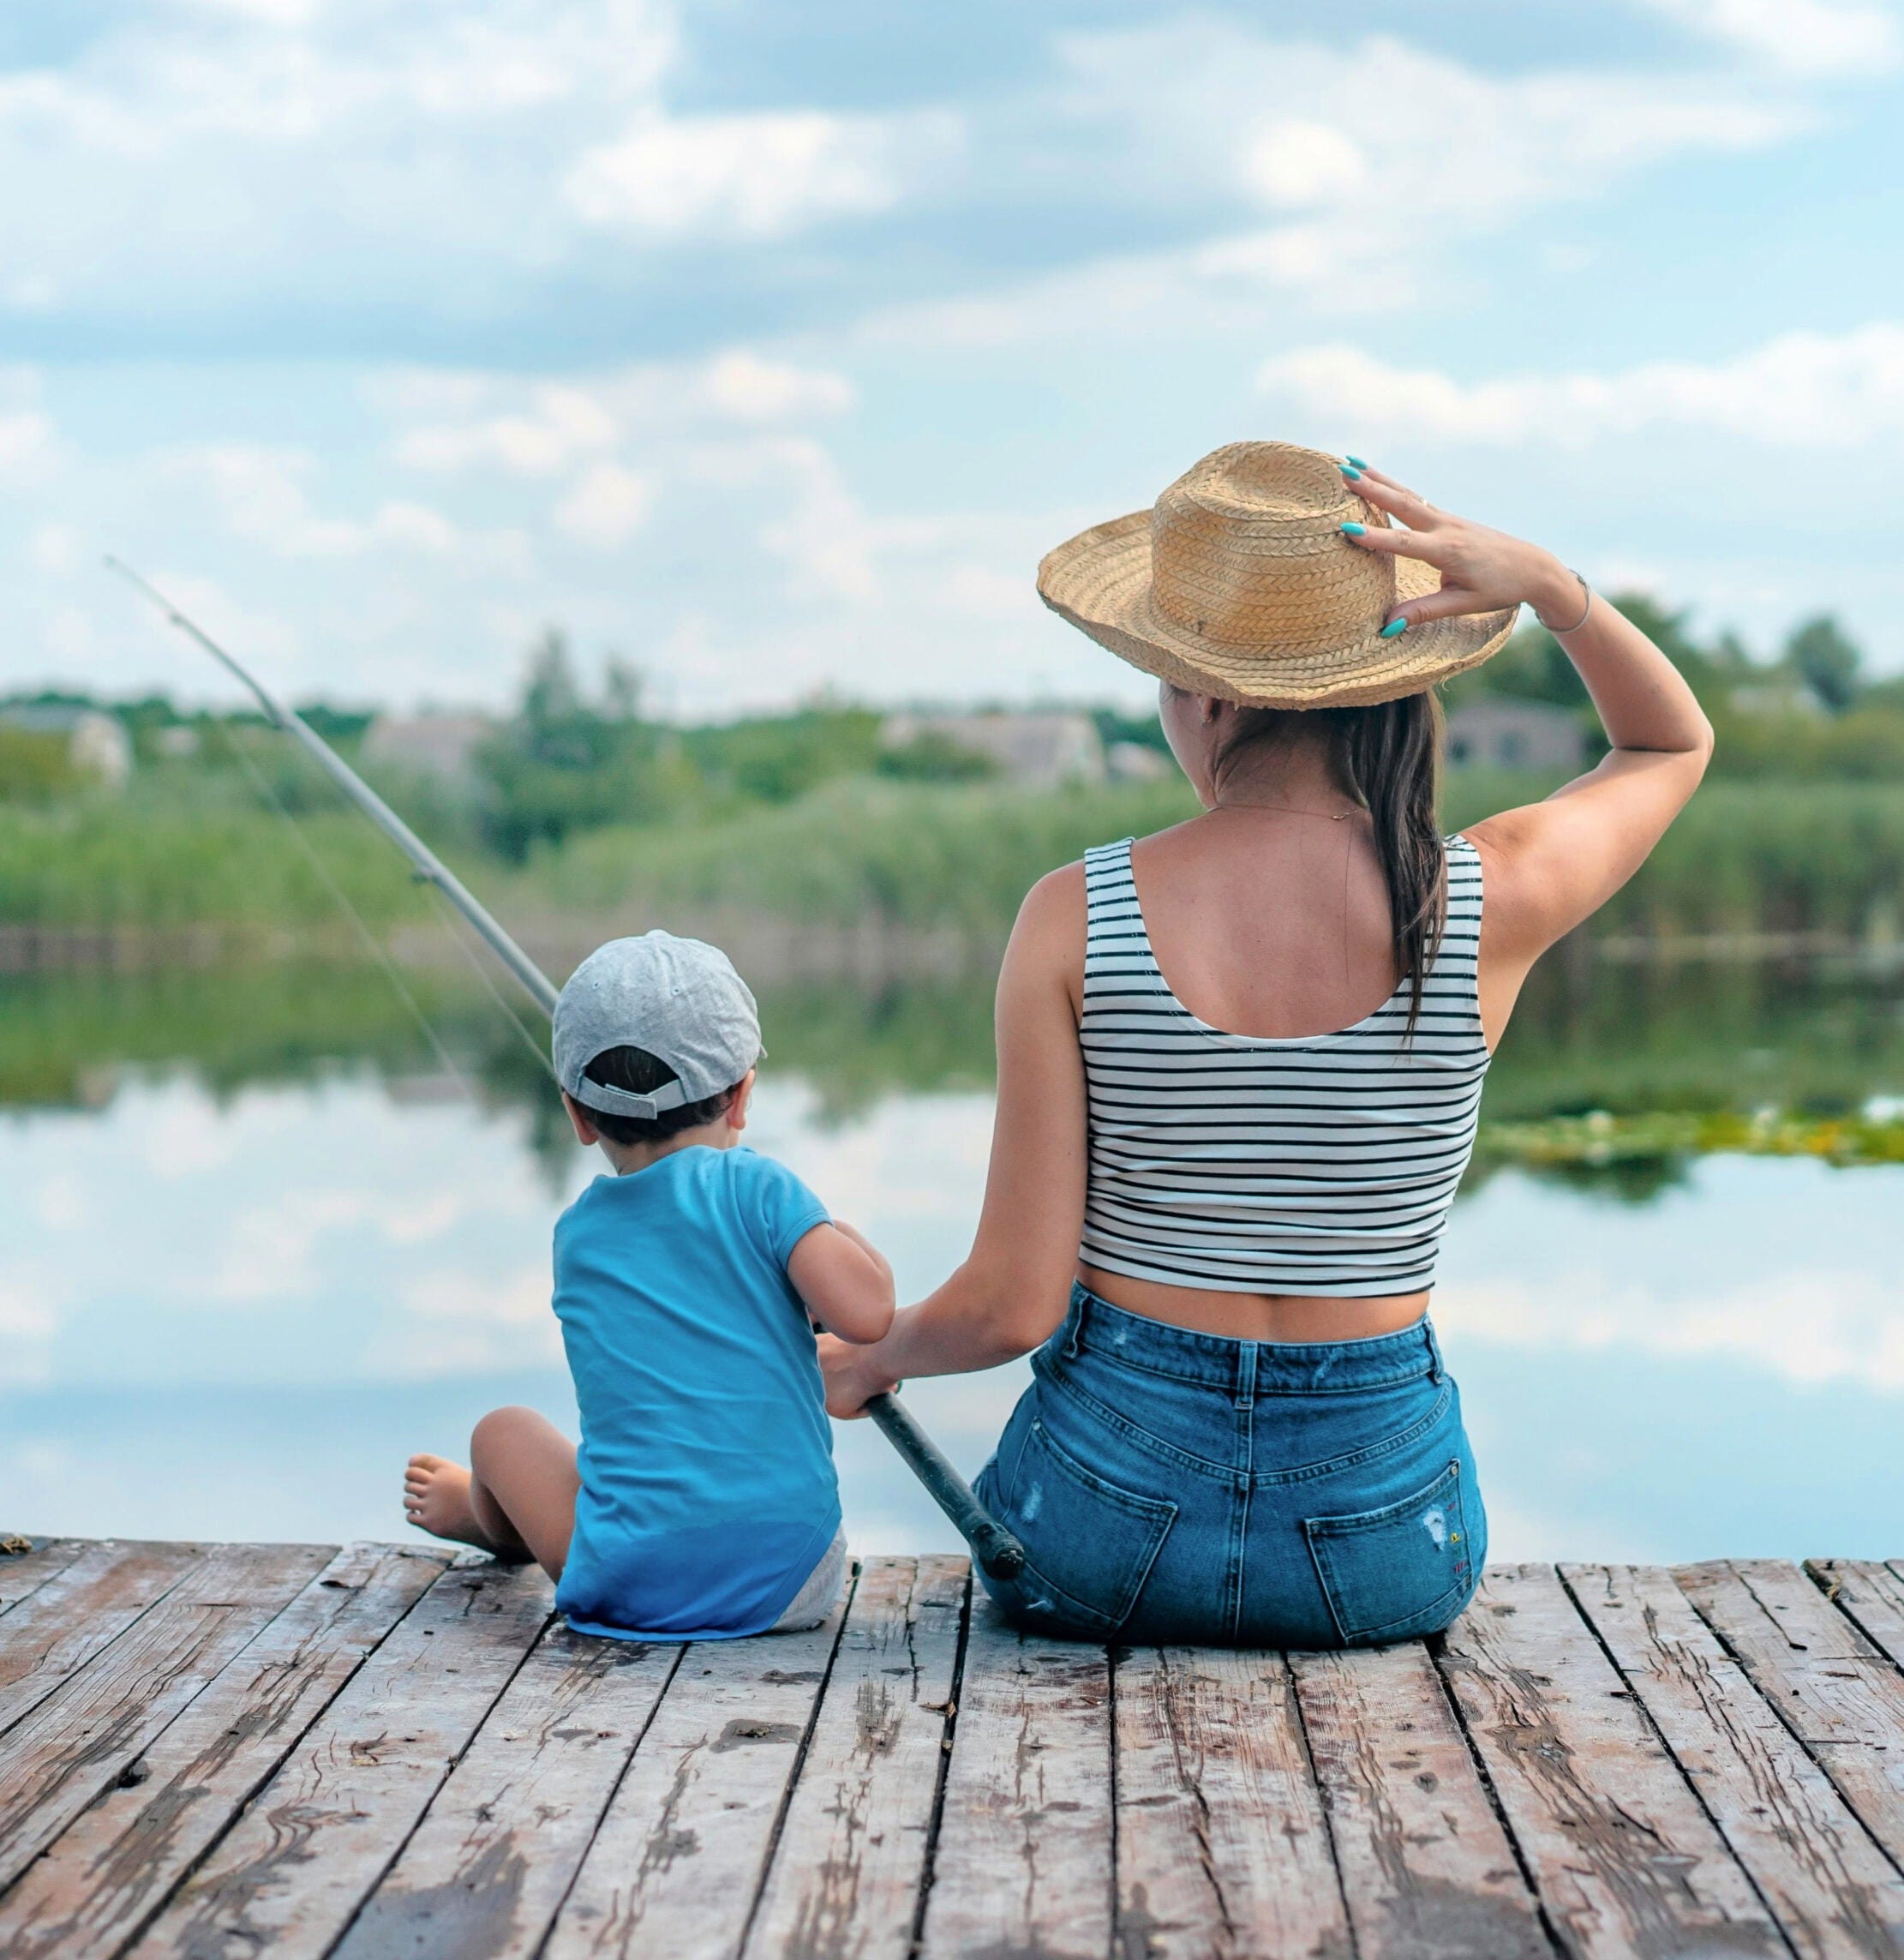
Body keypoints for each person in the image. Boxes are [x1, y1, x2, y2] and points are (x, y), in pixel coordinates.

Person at [821, 441, 1712, 1649]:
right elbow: (1666, 744)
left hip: (1096, 1541)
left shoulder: (1076, 913)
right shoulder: (1485, 897)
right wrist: (1551, 587)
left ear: (1210, 695)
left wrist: (874, 1357)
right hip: (1389, 1548)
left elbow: (1009, 1307)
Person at [403, 931, 895, 1639]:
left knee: (501, 1432)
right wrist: (826, 1227)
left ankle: (492, 1525)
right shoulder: (763, 1190)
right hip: (793, 1584)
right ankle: (501, 1525)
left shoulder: (578, 1236)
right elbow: (870, 1313)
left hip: (627, 1585)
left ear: (575, 1115)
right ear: (741, 1096)